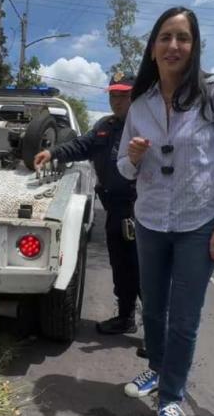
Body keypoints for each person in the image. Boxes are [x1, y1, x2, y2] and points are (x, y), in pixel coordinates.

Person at [116, 7, 214, 416]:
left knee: (184, 320)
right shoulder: (140, 104)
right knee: (152, 308)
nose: (173, 46)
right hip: (151, 220)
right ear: (152, 48)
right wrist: (132, 157)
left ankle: (170, 399)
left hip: (198, 222)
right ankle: (156, 367)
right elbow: (123, 169)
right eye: (165, 38)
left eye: (183, 38)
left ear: (194, 47)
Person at [35, 72, 144, 340]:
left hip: (140, 210)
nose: (116, 101)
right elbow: (83, 145)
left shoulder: (145, 127)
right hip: (115, 210)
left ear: (135, 97)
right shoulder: (105, 125)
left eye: (123, 96)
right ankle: (126, 318)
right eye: (113, 95)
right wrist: (53, 152)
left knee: (144, 270)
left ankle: (154, 334)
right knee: (121, 267)